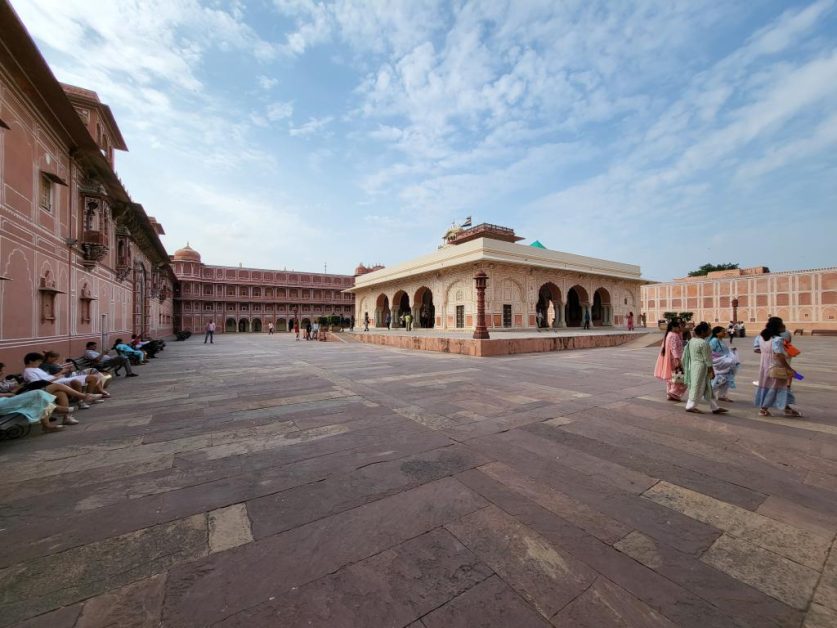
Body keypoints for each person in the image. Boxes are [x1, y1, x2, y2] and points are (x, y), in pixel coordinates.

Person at [755, 317, 802, 417]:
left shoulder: (760, 337)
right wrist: (789, 368)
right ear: (777, 326)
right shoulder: (777, 340)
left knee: (771, 386)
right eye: (781, 324)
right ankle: (764, 409)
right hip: (776, 366)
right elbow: (779, 355)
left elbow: (756, 349)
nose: (783, 326)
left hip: (765, 366)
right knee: (777, 387)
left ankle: (786, 408)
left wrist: (766, 354)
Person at [682, 322, 728, 414]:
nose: (710, 331)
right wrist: (711, 371)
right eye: (708, 330)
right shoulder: (704, 343)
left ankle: (715, 407)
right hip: (701, 368)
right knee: (698, 387)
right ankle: (690, 406)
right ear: (703, 332)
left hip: (694, 366)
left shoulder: (692, 341)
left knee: (707, 387)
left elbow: (685, 355)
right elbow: (707, 359)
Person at [0, 365, 62, 432]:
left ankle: (47, 425)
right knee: (38, 393)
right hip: (3, 403)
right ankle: (58, 409)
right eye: (2, 370)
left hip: (7, 400)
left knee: (42, 397)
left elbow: (10, 391)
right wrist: (8, 394)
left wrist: (16, 388)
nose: (3, 372)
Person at [40, 351, 108, 396]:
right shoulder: (45, 365)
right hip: (67, 376)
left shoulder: (52, 363)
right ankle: (99, 390)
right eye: (55, 358)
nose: (56, 360)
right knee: (93, 371)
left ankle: (98, 390)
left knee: (94, 372)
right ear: (49, 357)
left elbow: (58, 369)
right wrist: (62, 371)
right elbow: (48, 376)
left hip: (70, 374)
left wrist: (68, 370)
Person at [654, 319, 688, 402]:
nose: (680, 328)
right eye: (679, 327)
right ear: (673, 327)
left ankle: (670, 394)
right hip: (675, 359)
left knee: (671, 378)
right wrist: (677, 360)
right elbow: (674, 348)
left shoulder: (670, 334)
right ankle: (673, 393)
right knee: (679, 378)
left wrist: (679, 332)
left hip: (671, 359)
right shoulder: (673, 335)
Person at [709, 326, 739, 402]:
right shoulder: (714, 341)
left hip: (726, 363)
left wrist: (731, 350)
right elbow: (710, 352)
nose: (725, 333)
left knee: (726, 379)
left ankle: (722, 395)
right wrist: (720, 358)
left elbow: (724, 350)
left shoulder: (721, 340)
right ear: (717, 333)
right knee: (720, 379)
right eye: (723, 331)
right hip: (720, 363)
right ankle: (709, 393)